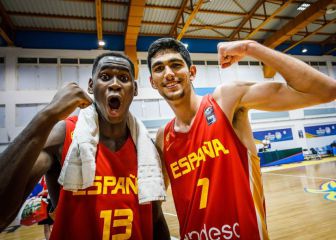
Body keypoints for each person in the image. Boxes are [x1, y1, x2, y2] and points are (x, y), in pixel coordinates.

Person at [147, 38, 336, 240]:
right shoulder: (163, 137)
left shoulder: (226, 101)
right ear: (152, 82)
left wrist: (250, 48)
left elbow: (326, 90)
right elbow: (153, 204)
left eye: (175, 65)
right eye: (159, 68)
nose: (168, 73)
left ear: (192, 72)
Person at [0, 52, 170, 239]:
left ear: (134, 89)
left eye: (124, 78)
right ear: (91, 85)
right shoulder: (64, 135)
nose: (115, 84)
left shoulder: (145, 147)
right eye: (105, 77)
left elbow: (156, 218)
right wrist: (47, 115)